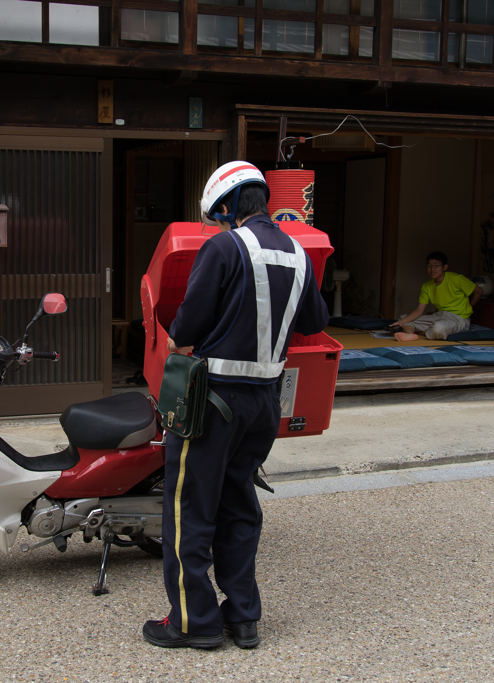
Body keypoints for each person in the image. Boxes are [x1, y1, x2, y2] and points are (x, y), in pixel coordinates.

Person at [142, 161, 328, 650]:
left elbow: (183, 332)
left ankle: (192, 622)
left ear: (226, 206)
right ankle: (243, 617)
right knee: (239, 506)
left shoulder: (222, 247)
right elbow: (314, 320)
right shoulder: (297, 253)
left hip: (212, 402)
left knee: (189, 509)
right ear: (261, 198)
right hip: (264, 404)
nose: (218, 222)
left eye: (217, 214)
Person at [389, 252, 483, 342]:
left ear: (445, 267)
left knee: (438, 328)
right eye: (429, 266)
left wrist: (469, 307)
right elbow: (419, 311)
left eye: (436, 265)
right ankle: (409, 334)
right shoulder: (427, 286)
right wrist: (400, 323)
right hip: (440, 315)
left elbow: (479, 291)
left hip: (458, 318)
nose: (432, 269)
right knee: (404, 318)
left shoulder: (457, 279)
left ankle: (423, 333)